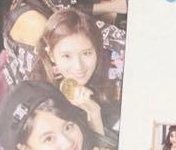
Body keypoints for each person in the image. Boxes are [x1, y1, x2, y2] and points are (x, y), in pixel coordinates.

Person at [35, 8, 117, 140]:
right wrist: (93, 116)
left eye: (86, 53)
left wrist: (94, 112)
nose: (79, 66)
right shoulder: (43, 100)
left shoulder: (111, 74)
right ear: (51, 55)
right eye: (67, 56)